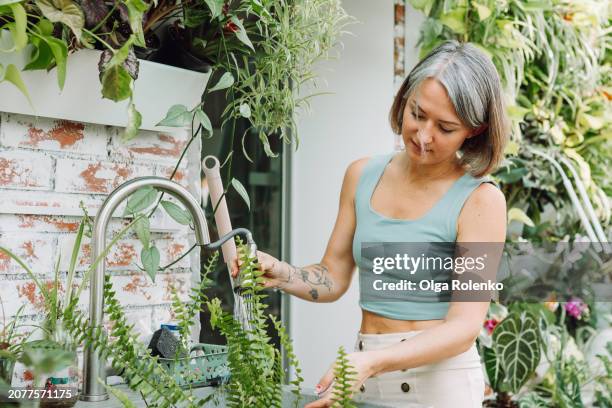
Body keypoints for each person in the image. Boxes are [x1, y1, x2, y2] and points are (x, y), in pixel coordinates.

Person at [232, 40, 509, 408]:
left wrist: (370, 363)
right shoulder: (362, 175)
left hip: (439, 386)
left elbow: (463, 327)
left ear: (474, 130)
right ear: (405, 97)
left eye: (445, 127)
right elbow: (333, 276)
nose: (423, 136)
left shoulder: (481, 200)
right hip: (366, 374)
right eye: (417, 113)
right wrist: (278, 272)